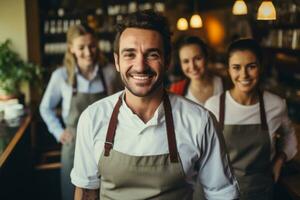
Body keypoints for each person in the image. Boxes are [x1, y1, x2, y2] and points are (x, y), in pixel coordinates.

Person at [71, 10, 239, 200]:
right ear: (117, 61)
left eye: (152, 54)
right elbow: (86, 192)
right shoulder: (93, 118)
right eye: (130, 54)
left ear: (167, 61)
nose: (140, 66)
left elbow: (222, 194)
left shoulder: (200, 121)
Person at [205, 38, 298, 200]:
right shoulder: (213, 106)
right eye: (236, 68)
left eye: (251, 67)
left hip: (260, 191)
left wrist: (280, 159)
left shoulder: (275, 105)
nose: (244, 75)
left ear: (260, 68)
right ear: (228, 69)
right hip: (221, 192)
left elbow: (289, 135)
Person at [39, 24, 118, 200]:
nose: (88, 52)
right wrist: (59, 132)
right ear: (71, 48)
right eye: (81, 47)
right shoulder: (61, 76)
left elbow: (123, 104)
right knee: (73, 194)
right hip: (73, 146)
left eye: (92, 46)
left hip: (107, 145)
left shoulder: (110, 72)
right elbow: (45, 108)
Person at [169, 36, 224, 105]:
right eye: (186, 61)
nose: (192, 66)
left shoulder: (225, 83)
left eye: (197, 58)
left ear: (206, 57)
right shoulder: (176, 91)